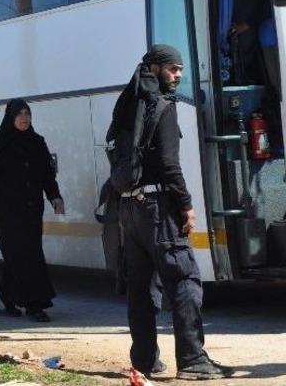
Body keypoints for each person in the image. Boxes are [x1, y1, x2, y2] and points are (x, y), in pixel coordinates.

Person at [108, 45, 233, 383]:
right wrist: (186, 205)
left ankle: (145, 361)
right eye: (172, 69)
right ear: (154, 67)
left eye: (180, 69)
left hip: (129, 209)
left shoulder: (128, 102)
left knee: (141, 287)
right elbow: (169, 165)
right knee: (184, 280)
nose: (178, 75)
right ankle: (192, 359)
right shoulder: (162, 107)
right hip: (157, 210)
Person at [0, 99, 64, 321]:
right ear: (10, 117)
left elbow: (47, 176)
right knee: (16, 256)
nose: (24, 118)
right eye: (19, 114)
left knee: (30, 255)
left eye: (27, 113)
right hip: (8, 213)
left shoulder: (38, 143)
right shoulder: (0, 145)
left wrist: (55, 197)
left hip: (31, 211)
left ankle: (16, 300)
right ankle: (31, 305)